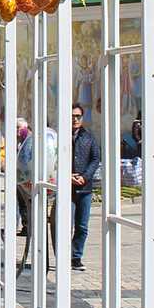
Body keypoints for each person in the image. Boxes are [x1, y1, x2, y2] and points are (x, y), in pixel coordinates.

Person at [70, 104, 101, 271]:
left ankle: (76, 256)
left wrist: (84, 176)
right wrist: (68, 175)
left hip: (85, 188)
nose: (75, 119)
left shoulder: (88, 138)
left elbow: (95, 158)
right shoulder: (62, 137)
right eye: (72, 116)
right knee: (65, 224)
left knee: (82, 225)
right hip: (67, 188)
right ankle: (63, 254)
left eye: (78, 116)